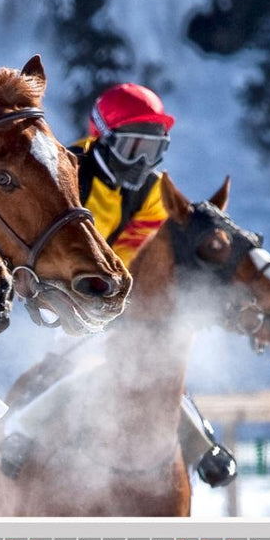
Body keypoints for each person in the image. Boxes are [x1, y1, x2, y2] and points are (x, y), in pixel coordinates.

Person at [70, 83, 237, 487]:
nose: (142, 161)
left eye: (152, 149)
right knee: (71, 361)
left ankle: (198, 443)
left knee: (150, 360)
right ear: (101, 139)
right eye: (132, 149)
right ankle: (19, 428)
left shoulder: (154, 191)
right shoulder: (69, 170)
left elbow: (132, 252)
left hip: (107, 293)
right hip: (51, 289)